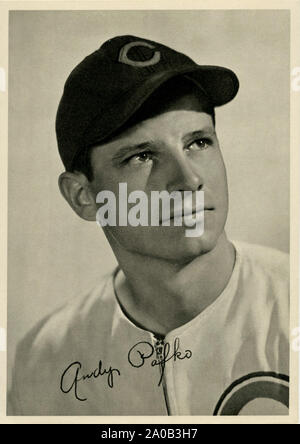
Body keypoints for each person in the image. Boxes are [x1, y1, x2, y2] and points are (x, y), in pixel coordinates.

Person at [8, 35, 289, 416]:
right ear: (83, 196)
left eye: (199, 143)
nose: (189, 180)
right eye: (142, 156)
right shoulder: (45, 359)